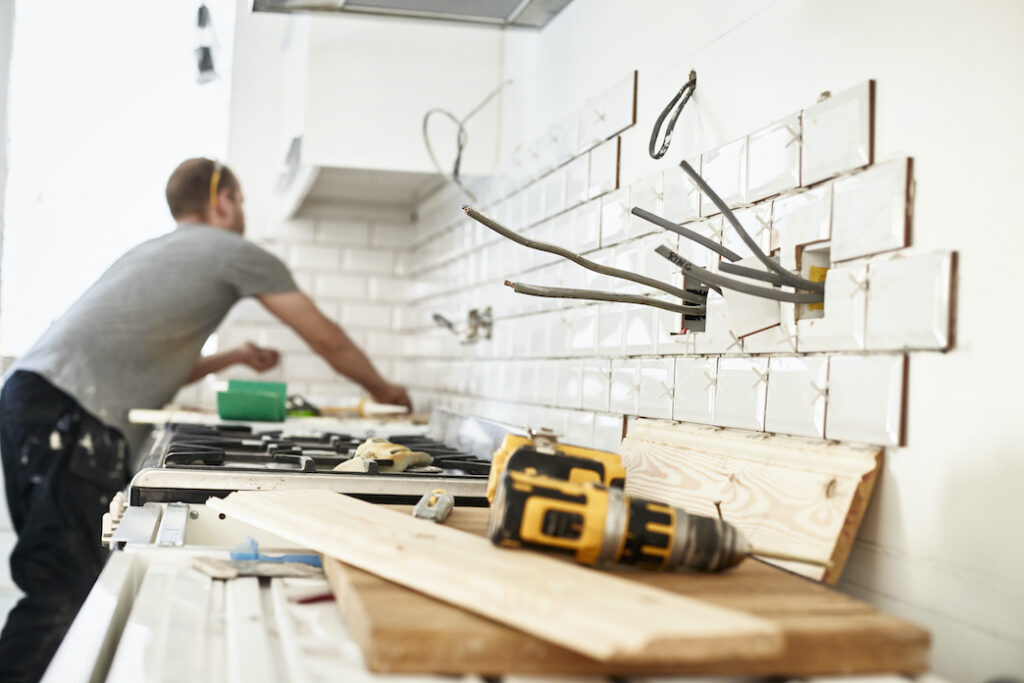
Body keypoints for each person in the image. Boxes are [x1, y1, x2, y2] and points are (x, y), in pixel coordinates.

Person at [0, 158, 411, 682]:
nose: (242, 212)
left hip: (33, 400)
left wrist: (232, 357)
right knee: (59, 589)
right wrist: (386, 392)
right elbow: (325, 337)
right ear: (223, 200)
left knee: (56, 582)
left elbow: (154, 361)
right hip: (68, 417)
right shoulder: (235, 251)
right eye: (239, 199)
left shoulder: (154, 251)